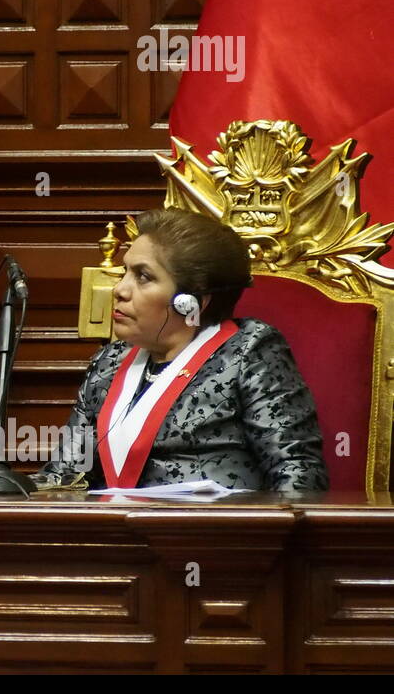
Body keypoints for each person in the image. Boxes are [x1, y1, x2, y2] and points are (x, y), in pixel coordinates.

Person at [33, 208, 328, 492]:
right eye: (124, 272)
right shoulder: (109, 362)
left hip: (216, 539)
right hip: (113, 538)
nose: (120, 290)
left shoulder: (249, 351)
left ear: (192, 302)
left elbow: (299, 476)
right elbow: (63, 477)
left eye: (143, 276)